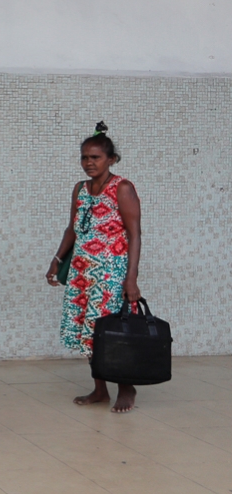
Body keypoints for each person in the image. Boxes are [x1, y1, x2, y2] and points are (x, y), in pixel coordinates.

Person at [47, 122, 142, 413]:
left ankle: (126, 388)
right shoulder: (80, 189)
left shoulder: (122, 188)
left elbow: (135, 234)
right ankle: (100, 389)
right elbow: (72, 229)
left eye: (96, 157)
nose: (89, 163)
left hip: (110, 274)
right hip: (82, 273)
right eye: (84, 158)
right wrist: (57, 260)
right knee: (88, 332)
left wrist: (131, 279)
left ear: (111, 159)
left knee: (112, 332)